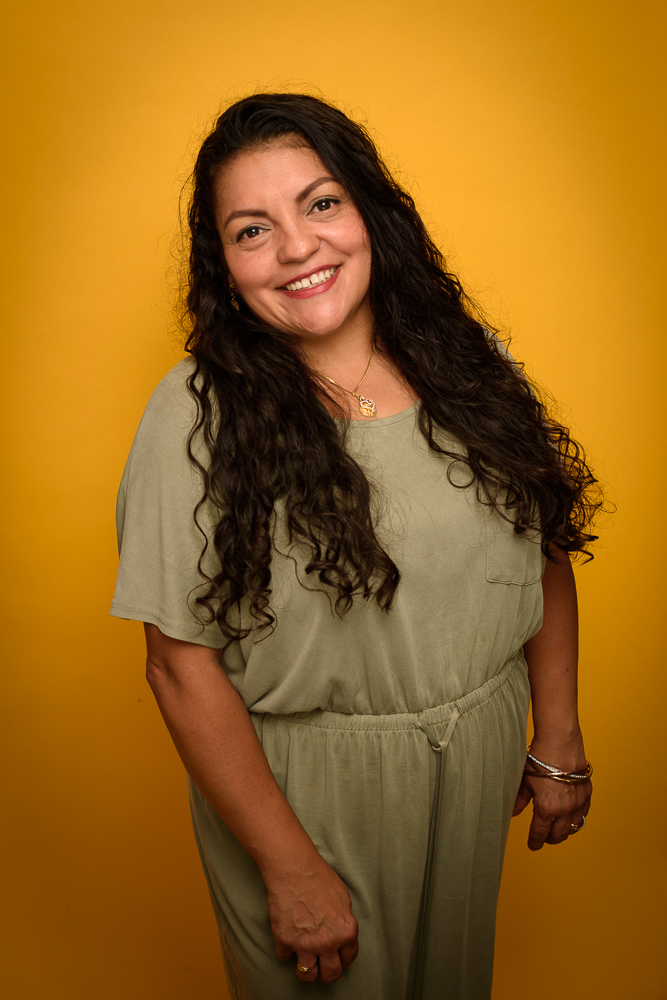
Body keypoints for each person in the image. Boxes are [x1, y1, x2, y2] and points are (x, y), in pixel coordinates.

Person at [110, 93, 598, 1000]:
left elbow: (541, 550)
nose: (298, 247)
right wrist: (290, 868)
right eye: (253, 230)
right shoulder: (195, 413)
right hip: (307, 795)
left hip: (478, 766)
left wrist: (556, 738)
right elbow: (178, 665)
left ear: (370, 210)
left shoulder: (470, 361)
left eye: (321, 203)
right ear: (224, 266)